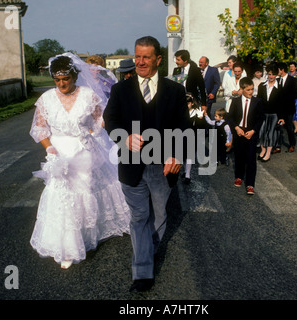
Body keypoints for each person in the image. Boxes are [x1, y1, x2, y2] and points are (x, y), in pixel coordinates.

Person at [103, 36, 189, 293]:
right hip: (131, 166)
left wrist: (177, 155)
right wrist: (124, 137)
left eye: (146, 57)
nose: (140, 62)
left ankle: (146, 252)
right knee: (139, 217)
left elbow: (184, 127)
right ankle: (142, 271)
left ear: (158, 59)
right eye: (137, 56)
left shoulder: (175, 90)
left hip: (163, 167)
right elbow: (110, 120)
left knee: (160, 217)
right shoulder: (121, 90)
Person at [29, 53, 130, 270]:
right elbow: (40, 129)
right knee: (63, 197)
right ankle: (68, 247)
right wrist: (50, 148)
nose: (62, 84)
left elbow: (100, 119)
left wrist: (94, 132)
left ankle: (88, 234)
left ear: (74, 76)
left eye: (65, 79)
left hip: (84, 152)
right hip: (59, 155)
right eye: (57, 80)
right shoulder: (46, 99)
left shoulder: (88, 95)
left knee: (85, 192)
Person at [228, 77, 264, 195]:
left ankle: (250, 184)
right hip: (239, 132)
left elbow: (260, 119)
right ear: (241, 89)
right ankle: (239, 176)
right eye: (248, 90)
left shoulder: (257, 102)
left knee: (250, 159)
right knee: (239, 156)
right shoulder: (236, 101)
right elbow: (230, 117)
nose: (251, 92)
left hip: (251, 133)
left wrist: (253, 131)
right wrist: (236, 128)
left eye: (252, 89)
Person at [257, 64, 281, 162]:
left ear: (276, 75)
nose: (270, 76)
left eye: (273, 74)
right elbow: (258, 101)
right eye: (269, 74)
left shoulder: (279, 88)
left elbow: (282, 104)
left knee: (270, 133)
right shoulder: (261, 86)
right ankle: (263, 150)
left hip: (274, 114)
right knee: (261, 132)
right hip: (263, 113)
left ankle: (268, 152)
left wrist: (281, 117)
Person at [276, 62, 297, 153]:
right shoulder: (277, 80)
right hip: (278, 108)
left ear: (282, 70)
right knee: (277, 127)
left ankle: (292, 144)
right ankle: (277, 146)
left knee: (289, 127)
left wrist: (285, 97)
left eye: (277, 70)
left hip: (289, 107)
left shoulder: (293, 80)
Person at [182, 93, 205, 184]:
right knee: (183, 155)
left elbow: (201, 126)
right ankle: (185, 171)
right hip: (182, 135)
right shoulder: (181, 112)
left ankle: (188, 175)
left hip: (192, 136)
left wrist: (200, 118)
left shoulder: (196, 112)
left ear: (191, 103)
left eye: (188, 103)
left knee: (189, 155)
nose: (186, 105)